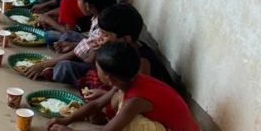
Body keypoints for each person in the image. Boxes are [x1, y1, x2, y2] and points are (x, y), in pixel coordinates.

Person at [47, 42, 200, 131]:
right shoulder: (127, 79)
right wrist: (67, 120)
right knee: (117, 103)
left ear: (108, 77)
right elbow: (97, 104)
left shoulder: (134, 101)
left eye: (97, 68)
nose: (95, 69)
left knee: (133, 123)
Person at [25, 0, 117, 84]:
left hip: (97, 64)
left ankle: (55, 72)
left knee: (64, 67)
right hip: (91, 51)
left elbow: (89, 57)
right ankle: (58, 64)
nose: (76, 2)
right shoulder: (99, 16)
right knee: (63, 36)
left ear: (88, 6)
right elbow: (87, 42)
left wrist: (45, 64)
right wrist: (73, 45)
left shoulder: (103, 28)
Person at [78, 4, 177, 101]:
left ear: (125, 39)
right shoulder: (125, 47)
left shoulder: (141, 61)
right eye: (100, 32)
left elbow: (139, 94)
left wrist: (104, 95)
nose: (100, 38)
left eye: (105, 35)